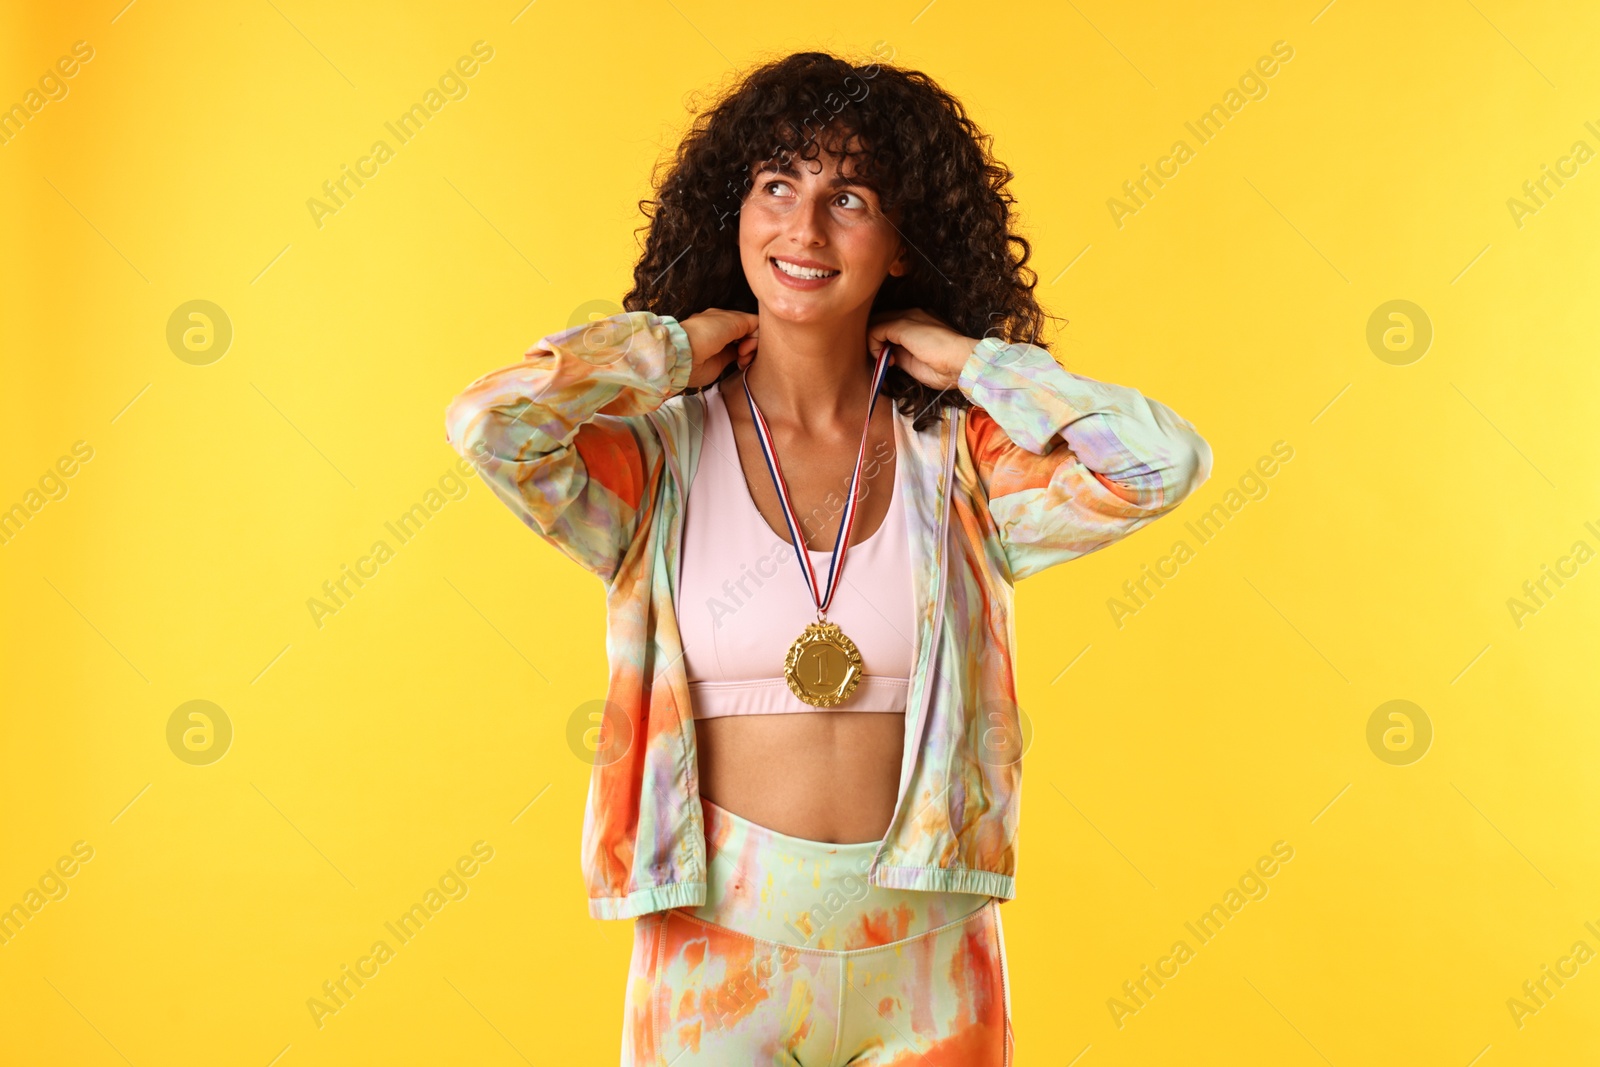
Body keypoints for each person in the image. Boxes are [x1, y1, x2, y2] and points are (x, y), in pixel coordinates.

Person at [445, 49, 1213, 1067]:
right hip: (714, 955)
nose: (802, 230)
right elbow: (488, 425)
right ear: (736, 211)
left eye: (847, 197)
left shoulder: (963, 465)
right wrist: (663, 352)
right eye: (776, 187)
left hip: (931, 960)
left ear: (902, 244)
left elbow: (1162, 463)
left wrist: (975, 365)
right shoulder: (655, 459)